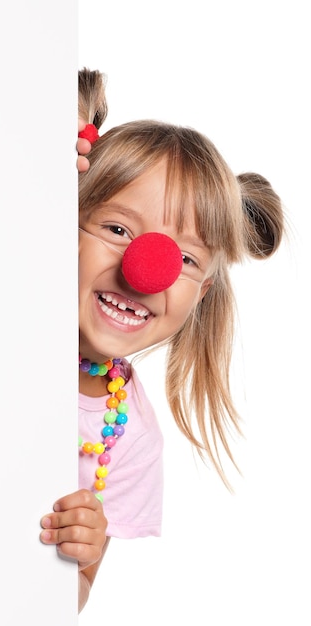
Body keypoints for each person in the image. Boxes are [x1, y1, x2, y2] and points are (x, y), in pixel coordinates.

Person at [40, 68, 285, 613]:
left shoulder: (132, 439)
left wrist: (80, 560)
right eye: (118, 229)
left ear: (202, 292)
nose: (144, 270)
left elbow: (68, 604)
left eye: (185, 259)